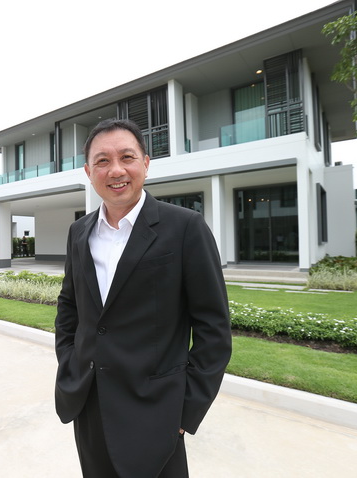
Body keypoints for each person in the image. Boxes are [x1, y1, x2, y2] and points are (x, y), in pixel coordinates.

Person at [54, 119, 232, 477]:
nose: (116, 170)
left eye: (127, 157)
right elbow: (69, 307)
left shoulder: (185, 227)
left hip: (156, 411)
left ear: (146, 164)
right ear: (88, 172)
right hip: (88, 402)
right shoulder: (79, 232)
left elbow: (213, 329)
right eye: (102, 161)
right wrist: (70, 363)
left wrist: (185, 412)